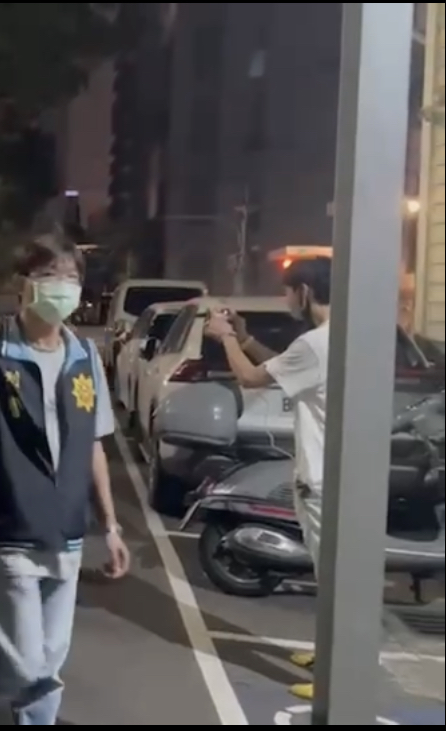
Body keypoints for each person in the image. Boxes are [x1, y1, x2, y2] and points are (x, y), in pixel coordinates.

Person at [0, 232, 129, 725]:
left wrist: (111, 526)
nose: (61, 287)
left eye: (70, 278)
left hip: (65, 536)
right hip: (4, 536)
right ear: (22, 285)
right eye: (49, 276)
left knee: (44, 661)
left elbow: (94, 445)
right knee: (30, 664)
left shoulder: (85, 358)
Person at [205, 257, 331, 701]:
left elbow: (251, 377)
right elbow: (280, 367)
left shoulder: (315, 343)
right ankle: (329, 655)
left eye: (288, 291)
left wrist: (224, 338)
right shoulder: (335, 339)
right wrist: (244, 337)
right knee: (332, 576)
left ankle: (335, 680)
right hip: (334, 476)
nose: (286, 299)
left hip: (322, 480)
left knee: (333, 580)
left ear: (305, 292)